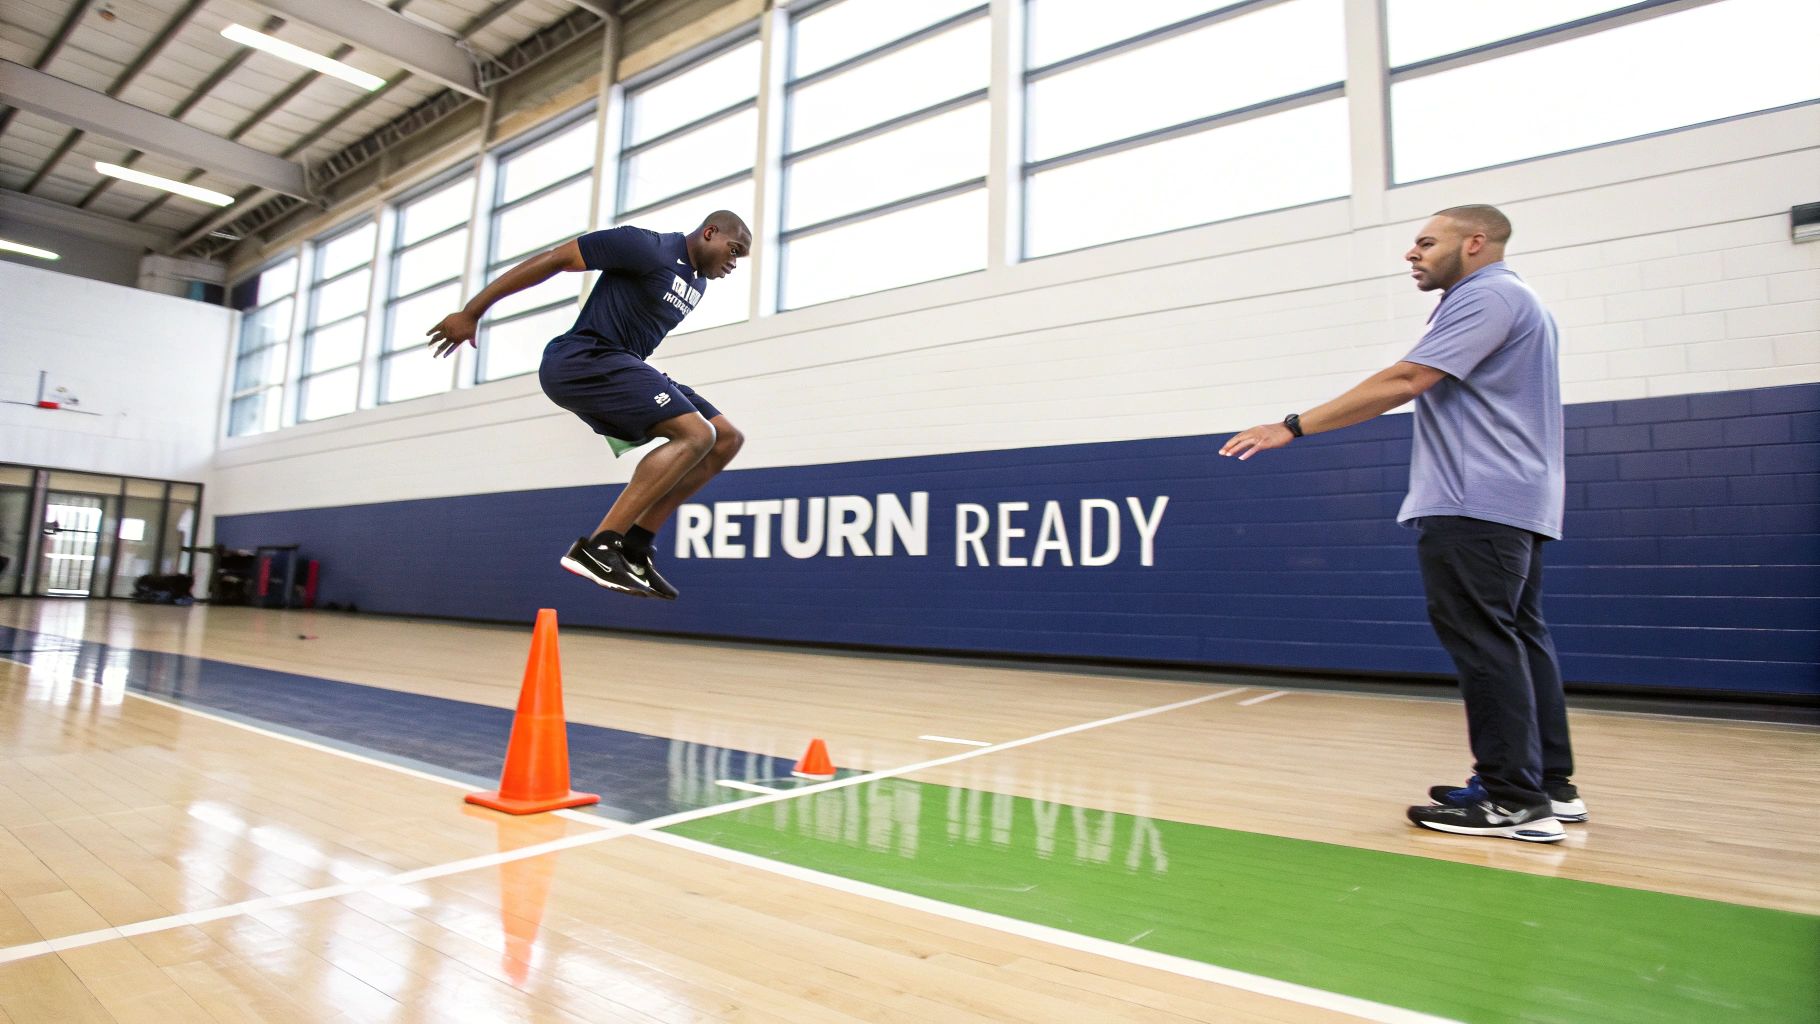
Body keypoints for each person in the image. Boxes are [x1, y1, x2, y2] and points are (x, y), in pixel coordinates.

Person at [1220, 204, 1583, 843]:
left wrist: (1293, 425)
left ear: (1475, 243)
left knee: (1486, 643)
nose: (1411, 255)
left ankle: (1512, 800)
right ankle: (1546, 785)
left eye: (1425, 243)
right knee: (1518, 638)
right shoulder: (1516, 300)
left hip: (1475, 500)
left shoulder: (1487, 296)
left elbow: (1408, 378)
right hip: (1515, 498)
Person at [428, 211, 753, 601]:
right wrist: (472, 312)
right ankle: (599, 547)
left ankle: (634, 547)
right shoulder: (646, 247)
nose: (733, 264)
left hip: (624, 362)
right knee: (695, 433)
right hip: (582, 358)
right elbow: (556, 259)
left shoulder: (697, 284)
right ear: (710, 232)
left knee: (726, 439)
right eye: (733, 251)